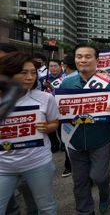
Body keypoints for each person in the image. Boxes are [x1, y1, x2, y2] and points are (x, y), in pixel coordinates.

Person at [59, 44, 110, 214]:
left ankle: (105, 195)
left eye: (87, 56)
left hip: (100, 139)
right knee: (80, 180)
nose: (83, 60)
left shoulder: (109, 84)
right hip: (75, 140)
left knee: (99, 177)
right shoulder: (67, 82)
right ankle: (85, 210)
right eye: (79, 56)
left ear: (97, 60)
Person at [0, 52, 59, 214]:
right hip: (3, 166)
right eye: (24, 72)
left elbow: (55, 122)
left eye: (33, 73)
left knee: (46, 207)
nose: (30, 77)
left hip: (38, 162)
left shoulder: (45, 98)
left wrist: (46, 128)